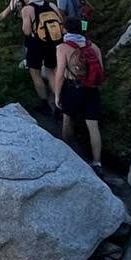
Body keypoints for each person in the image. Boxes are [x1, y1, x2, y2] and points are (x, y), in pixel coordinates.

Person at [54, 13, 103, 172]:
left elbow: (60, 74)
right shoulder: (93, 47)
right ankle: (97, 163)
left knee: (67, 119)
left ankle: (66, 156)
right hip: (92, 90)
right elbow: (101, 70)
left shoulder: (63, 48)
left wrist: (57, 94)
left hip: (73, 88)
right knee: (93, 126)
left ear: (65, 29)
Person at [19, 0, 65, 114]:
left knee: (36, 74)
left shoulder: (27, 9)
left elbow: (27, 31)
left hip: (35, 45)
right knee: (51, 72)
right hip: (53, 44)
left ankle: (44, 105)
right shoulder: (51, 5)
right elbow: (61, 23)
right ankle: (59, 103)